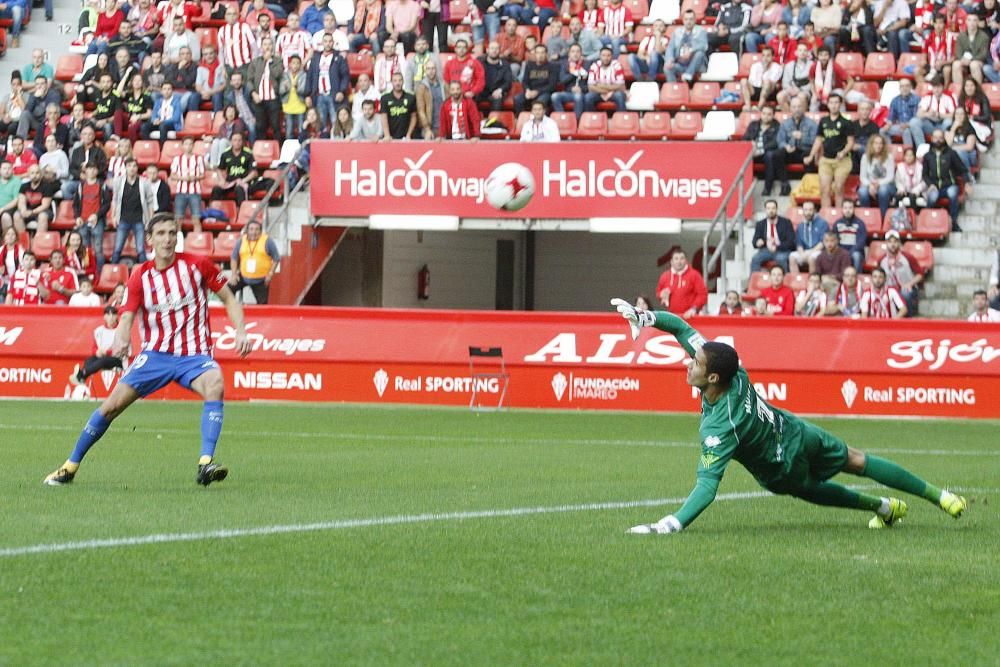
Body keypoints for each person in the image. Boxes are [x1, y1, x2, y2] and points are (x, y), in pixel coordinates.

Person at [609, 298, 968, 535]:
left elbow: (706, 488)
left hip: (781, 466)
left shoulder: (721, 425)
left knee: (815, 490)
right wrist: (646, 317)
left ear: (712, 378)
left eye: (696, 364)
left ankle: (883, 506)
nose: (689, 363)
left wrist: (668, 525)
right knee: (857, 459)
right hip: (797, 430)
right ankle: (941, 496)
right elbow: (683, 330)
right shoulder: (737, 371)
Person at [43, 213, 253, 487]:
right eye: (162, 233)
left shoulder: (198, 265)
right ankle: (70, 466)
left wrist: (240, 330)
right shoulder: (140, 276)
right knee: (110, 407)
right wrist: (121, 338)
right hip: (155, 356)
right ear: (150, 239)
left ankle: (205, 463)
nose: (168, 239)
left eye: (172, 232)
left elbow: (228, 298)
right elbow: (127, 316)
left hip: (195, 355)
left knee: (215, 383)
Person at [808, 93, 855, 209]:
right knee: (824, 189)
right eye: (831, 103)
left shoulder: (846, 122)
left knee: (839, 187)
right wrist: (811, 155)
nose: (834, 105)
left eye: (836, 103)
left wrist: (843, 152)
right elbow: (819, 139)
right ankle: (826, 215)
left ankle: (839, 215)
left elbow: (851, 142)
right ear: (827, 104)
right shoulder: (823, 121)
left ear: (840, 105)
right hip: (826, 160)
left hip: (842, 160)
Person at [110, 159, 156, 264]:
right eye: (129, 166)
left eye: (134, 166)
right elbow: (115, 200)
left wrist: (150, 219)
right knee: (117, 248)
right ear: (125, 168)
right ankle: (112, 269)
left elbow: (150, 202)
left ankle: (145, 272)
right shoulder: (119, 181)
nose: (132, 168)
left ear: (137, 168)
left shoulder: (144, 183)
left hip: (139, 219)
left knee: (140, 249)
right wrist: (113, 216)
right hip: (123, 219)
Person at [923, 128, 969, 231]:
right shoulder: (927, 156)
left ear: (944, 139)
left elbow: (963, 170)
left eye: (940, 137)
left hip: (950, 185)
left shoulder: (951, 153)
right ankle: (927, 222)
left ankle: (954, 222)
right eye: (936, 137)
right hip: (935, 186)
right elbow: (924, 175)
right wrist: (930, 184)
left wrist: (967, 183)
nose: (938, 140)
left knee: (953, 194)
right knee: (932, 197)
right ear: (931, 139)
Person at [228, 219, 281, 304]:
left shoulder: (268, 241)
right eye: (251, 229)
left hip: (261, 279)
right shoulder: (241, 241)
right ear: (247, 231)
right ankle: (233, 308)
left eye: (257, 229)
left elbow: (276, 258)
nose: (254, 232)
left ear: (260, 231)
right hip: (243, 276)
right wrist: (234, 274)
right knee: (228, 288)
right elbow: (234, 257)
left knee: (262, 307)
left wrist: (270, 274)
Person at [774, 95, 817, 195]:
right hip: (791, 151)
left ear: (803, 108)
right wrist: (786, 146)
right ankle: (784, 184)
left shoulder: (811, 123)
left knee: (809, 154)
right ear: (790, 108)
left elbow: (816, 141)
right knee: (777, 154)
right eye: (794, 107)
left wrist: (803, 137)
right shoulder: (785, 124)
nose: (796, 109)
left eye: (799, 106)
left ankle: (808, 186)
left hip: (804, 151)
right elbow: (780, 140)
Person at [73, 162, 112, 271]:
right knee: (85, 250)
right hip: (83, 221)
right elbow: (75, 204)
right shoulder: (80, 186)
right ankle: (87, 272)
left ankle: (100, 274)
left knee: (98, 250)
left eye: (94, 169)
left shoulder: (102, 185)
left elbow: (107, 204)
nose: (91, 171)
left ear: (97, 171)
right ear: (85, 171)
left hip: (97, 221)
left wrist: (97, 215)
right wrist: (77, 217)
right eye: (89, 169)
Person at [880, 229, 923, 315]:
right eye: (890, 242)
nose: (892, 245)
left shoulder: (907, 257)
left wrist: (910, 284)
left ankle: (908, 319)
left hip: (907, 287)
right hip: (890, 289)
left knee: (905, 293)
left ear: (899, 243)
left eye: (895, 241)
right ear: (886, 243)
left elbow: (920, 274)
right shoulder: (882, 260)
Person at [655, 248, 707, 318]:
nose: (679, 261)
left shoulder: (694, 275)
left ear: (686, 260)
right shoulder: (665, 276)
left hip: (690, 317)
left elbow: (702, 294)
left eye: (682, 258)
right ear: (671, 261)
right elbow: (658, 292)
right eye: (676, 259)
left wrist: (694, 308)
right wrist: (661, 295)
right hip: (672, 317)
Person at [744, 106, 782, 195]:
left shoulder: (777, 126)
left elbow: (775, 143)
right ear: (761, 114)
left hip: (765, 153)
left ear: (773, 115)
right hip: (752, 152)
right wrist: (751, 144)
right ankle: (744, 186)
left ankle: (767, 188)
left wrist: (761, 150)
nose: (766, 116)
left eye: (769, 114)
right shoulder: (753, 125)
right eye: (764, 114)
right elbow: (745, 138)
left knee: (770, 156)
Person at [171, 138, 206, 232]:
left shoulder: (199, 158)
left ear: (193, 146)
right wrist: (182, 178)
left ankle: (197, 243)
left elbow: (203, 175)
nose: (188, 146)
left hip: (195, 192)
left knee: (196, 219)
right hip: (181, 192)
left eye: (190, 144)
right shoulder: (177, 159)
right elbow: (172, 175)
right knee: (178, 220)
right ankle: (178, 244)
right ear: (182, 146)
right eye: (186, 144)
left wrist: (194, 178)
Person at [750, 199, 795, 272]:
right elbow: (754, 242)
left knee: (781, 259)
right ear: (765, 210)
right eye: (768, 208)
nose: (771, 211)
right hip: (766, 250)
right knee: (755, 259)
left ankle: (784, 281)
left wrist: (777, 247)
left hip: (782, 250)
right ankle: (756, 282)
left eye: (773, 208)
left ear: (777, 209)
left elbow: (791, 242)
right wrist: (758, 242)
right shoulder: (760, 224)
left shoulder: (786, 222)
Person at [858, 134, 897, 218]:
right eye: (876, 143)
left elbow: (890, 177)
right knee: (862, 191)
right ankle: (866, 217)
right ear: (871, 145)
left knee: (883, 191)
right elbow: (862, 177)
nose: (878, 146)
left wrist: (878, 184)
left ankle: (883, 218)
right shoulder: (865, 157)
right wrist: (870, 185)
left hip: (887, 185)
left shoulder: (889, 157)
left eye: (880, 143)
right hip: (870, 184)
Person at [664, 10, 708, 83]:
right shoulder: (677, 32)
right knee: (667, 68)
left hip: (695, 65)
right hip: (680, 64)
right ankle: (674, 89)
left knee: (700, 53)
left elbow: (704, 45)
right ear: (683, 20)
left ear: (695, 20)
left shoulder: (701, 31)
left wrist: (691, 51)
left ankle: (688, 74)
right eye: (686, 19)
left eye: (691, 19)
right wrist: (670, 59)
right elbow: (670, 47)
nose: (688, 22)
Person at [515, 44, 558, 113]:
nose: (540, 55)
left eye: (542, 52)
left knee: (540, 102)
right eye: (538, 53)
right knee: (518, 99)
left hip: (544, 93)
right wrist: (527, 90)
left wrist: (537, 92)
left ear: (546, 54)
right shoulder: (529, 65)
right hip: (531, 91)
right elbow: (524, 81)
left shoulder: (552, 66)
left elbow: (552, 85)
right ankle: (520, 119)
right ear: (535, 54)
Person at [14, 165, 56, 235]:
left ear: (41, 174)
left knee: (42, 216)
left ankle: (38, 242)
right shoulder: (24, 186)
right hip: (28, 210)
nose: (35, 175)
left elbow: (45, 205)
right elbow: (21, 201)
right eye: (32, 173)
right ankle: (24, 240)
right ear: (28, 174)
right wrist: (23, 211)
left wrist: (32, 212)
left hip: (44, 211)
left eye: (37, 173)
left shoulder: (47, 186)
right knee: (17, 215)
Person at [584, 47, 626, 113]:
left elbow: (621, 87)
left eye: (608, 55)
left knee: (619, 95)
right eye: (603, 55)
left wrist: (599, 85)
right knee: (588, 97)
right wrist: (608, 89)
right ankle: (594, 120)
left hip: (613, 93)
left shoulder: (617, 65)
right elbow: (590, 87)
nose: (606, 58)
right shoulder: (594, 66)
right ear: (600, 56)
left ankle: (620, 120)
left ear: (612, 56)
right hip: (599, 93)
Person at [789, 201, 828, 271]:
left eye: (810, 210)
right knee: (792, 257)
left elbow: (823, 242)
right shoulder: (801, 225)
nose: (808, 212)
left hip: (818, 251)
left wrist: (811, 252)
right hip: (805, 251)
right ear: (803, 211)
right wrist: (802, 254)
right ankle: (796, 280)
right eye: (805, 210)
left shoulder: (822, 223)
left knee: (811, 258)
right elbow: (799, 243)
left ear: (814, 210)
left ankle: (812, 280)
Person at [742, 46, 783, 111]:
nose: (765, 58)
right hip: (755, 89)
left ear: (773, 57)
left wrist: (764, 71)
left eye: (768, 55)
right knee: (743, 81)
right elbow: (752, 81)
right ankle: (748, 106)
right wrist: (762, 71)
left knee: (767, 82)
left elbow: (773, 81)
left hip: (769, 92)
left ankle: (759, 107)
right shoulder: (755, 66)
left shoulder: (777, 67)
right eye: (763, 55)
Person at [380, 72, 418, 141]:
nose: (398, 83)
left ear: (403, 81)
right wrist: (387, 135)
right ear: (391, 82)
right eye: (395, 81)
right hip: (390, 137)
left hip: (406, 137)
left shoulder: (411, 97)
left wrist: (408, 135)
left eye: (400, 80)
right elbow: (383, 117)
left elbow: (414, 117)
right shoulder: (385, 98)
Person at [884, 77, 921, 147]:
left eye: (907, 86)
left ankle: (909, 153)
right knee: (882, 131)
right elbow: (891, 117)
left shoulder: (917, 99)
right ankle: (889, 151)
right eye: (902, 86)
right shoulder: (895, 100)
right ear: (899, 88)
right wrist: (888, 124)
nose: (904, 88)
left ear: (910, 87)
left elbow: (917, 118)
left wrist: (907, 124)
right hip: (900, 126)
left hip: (912, 126)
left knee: (906, 131)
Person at [833, 200, 867, 272]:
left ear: (854, 209)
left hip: (855, 251)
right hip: (841, 251)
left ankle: (857, 278)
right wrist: (843, 252)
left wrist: (850, 252)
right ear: (842, 209)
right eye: (845, 208)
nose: (848, 210)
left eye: (850, 208)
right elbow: (834, 240)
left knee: (856, 256)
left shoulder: (860, 224)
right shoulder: (837, 223)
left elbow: (861, 242)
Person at [416, 62, 446, 139]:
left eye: (433, 68)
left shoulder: (443, 85)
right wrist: (426, 129)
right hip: (429, 127)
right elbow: (420, 110)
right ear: (425, 71)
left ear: (436, 70)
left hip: (443, 127)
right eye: (428, 69)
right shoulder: (421, 87)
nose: (431, 71)